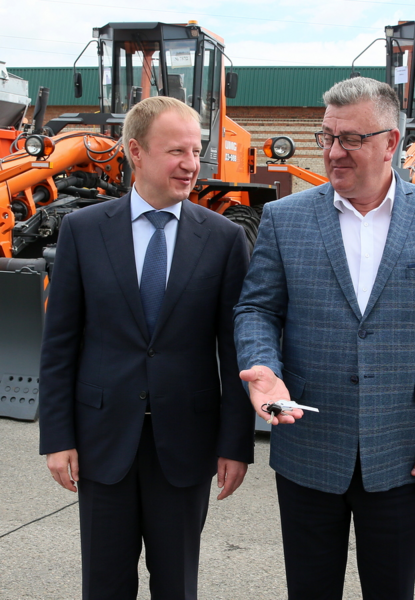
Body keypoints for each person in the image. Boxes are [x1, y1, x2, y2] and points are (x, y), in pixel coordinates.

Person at [234, 77, 415, 600]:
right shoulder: (285, 217)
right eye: (326, 137)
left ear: (391, 143)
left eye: (350, 139)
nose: (333, 152)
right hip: (308, 443)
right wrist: (263, 366)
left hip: (404, 450)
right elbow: (257, 308)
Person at [38, 96, 259, 599]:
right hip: (101, 441)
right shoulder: (83, 230)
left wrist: (235, 444)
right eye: (176, 151)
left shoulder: (224, 238)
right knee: (104, 584)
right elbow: (59, 345)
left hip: (186, 444)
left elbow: (236, 350)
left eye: (196, 151)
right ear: (136, 151)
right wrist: (57, 437)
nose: (190, 164)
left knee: (177, 585)